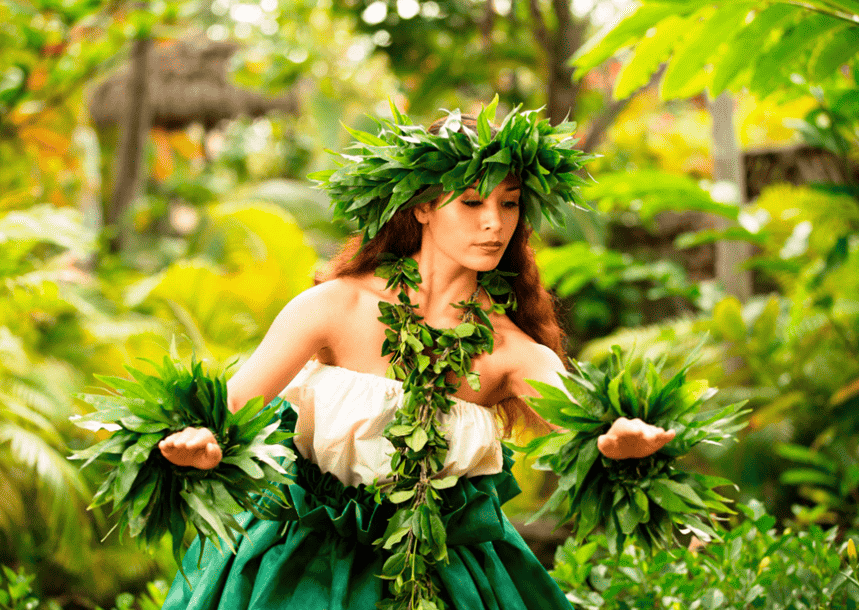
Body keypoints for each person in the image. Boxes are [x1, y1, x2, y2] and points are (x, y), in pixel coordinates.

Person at [157, 109, 674, 610]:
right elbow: (225, 416)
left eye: (510, 204)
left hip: (448, 575)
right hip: (300, 569)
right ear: (422, 205)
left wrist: (616, 441)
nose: (495, 224)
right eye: (472, 202)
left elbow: (585, 422)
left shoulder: (510, 351)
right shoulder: (336, 306)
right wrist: (202, 444)